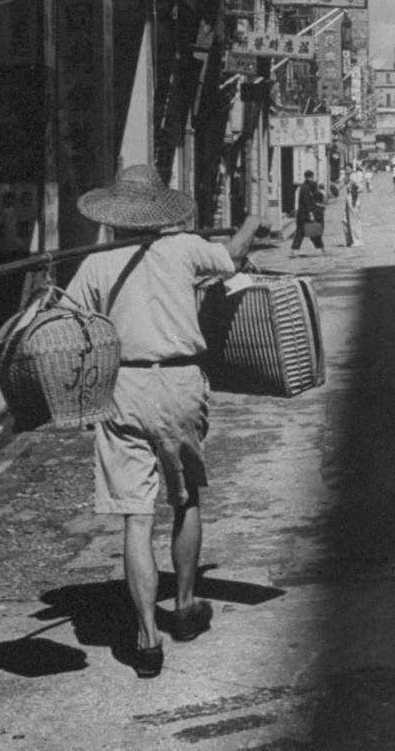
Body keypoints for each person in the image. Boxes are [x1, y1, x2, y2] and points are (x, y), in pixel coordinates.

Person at [65, 164, 263, 678]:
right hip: (179, 385)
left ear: (117, 214)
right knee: (186, 497)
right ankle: (184, 607)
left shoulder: (96, 262)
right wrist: (253, 217)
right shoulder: (184, 248)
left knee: (137, 515)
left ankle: (147, 637)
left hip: (122, 388)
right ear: (158, 210)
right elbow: (235, 254)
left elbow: (71, 323)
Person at [290, 170, 325, 252]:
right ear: (307, 177)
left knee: (312, 231)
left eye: (312, 177)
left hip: (305, 213)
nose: (311, 179)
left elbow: (318, 197)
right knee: (303, 232)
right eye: (310, 178)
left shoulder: (310, 187)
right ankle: (293, 250)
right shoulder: (305, 188)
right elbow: (306, 202)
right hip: (305, 214)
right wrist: (311, 213)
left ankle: (321, 249)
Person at [343, 163, 365, 248]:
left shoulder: (353, 176)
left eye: (348, 169)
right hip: (349, 197)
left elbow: (360, 187)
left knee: (354, 220)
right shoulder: (348, 177)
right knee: (345, 220)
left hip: (353, 198)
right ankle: (349, 240)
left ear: (352, 169)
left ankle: (357, 240)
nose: (346, 170)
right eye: (345, 169)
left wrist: (355, 193)